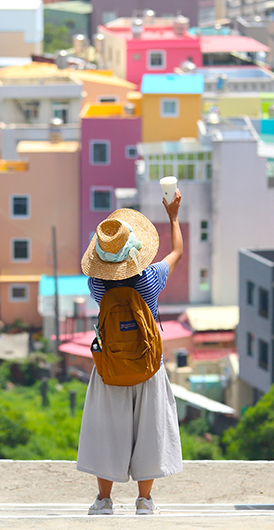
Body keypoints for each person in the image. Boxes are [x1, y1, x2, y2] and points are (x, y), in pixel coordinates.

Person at [76, 190, 184, 515]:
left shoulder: (98, 286)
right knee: (150, 429)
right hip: (149, 366)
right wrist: (174, 215)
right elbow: (177, 251)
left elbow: (99, 277)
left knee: (106, 429)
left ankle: (104, 501)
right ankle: (145, 501)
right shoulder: (151, 281)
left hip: (110, 368)